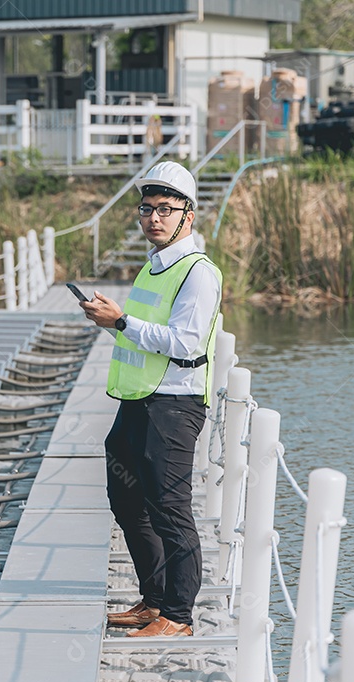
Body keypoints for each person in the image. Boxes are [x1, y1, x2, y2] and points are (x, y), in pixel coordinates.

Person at [79, 161, 222, 638]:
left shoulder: (198, 273)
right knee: (126, 500)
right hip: (139, 399)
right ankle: (154, 599)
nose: (154, 218)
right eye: (146, 209)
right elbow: (143, 336)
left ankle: (178, 615)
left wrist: (121, 321)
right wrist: (110, 320)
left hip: (176, 404)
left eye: (165, 209)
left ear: (188, 216)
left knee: (169, 505)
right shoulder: (153, 265)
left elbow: (186, 344)